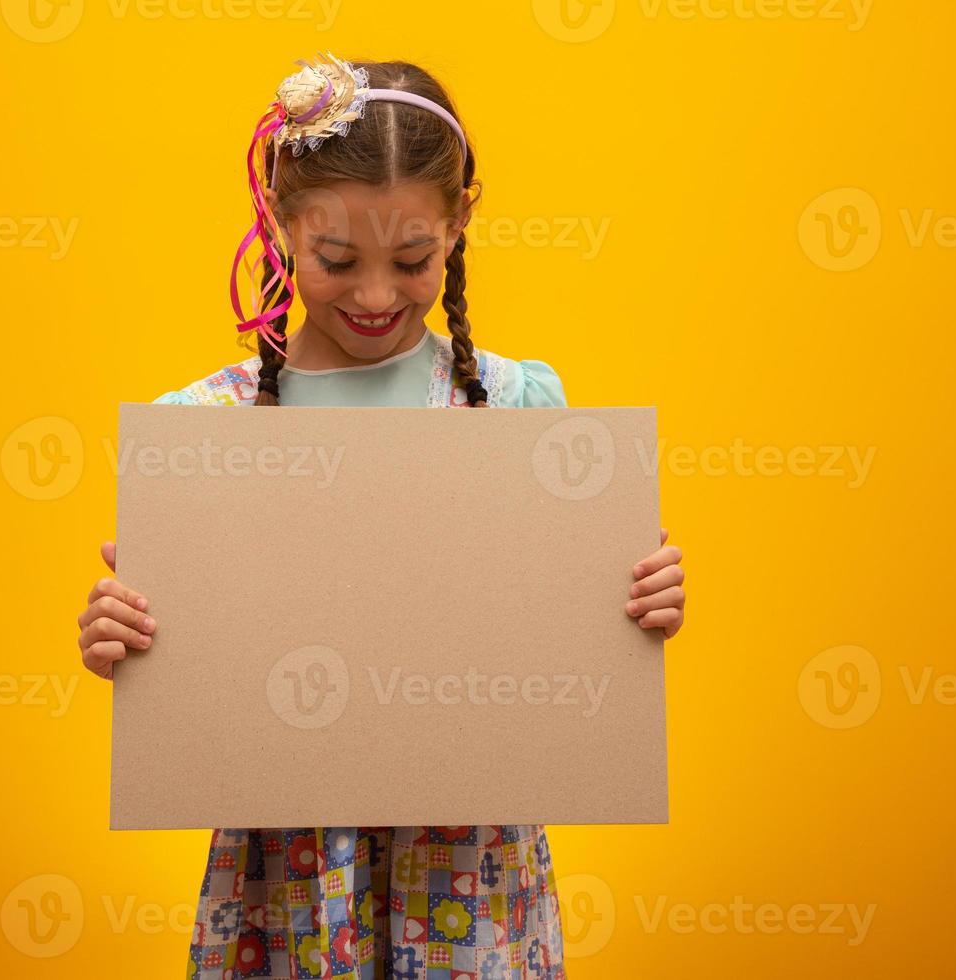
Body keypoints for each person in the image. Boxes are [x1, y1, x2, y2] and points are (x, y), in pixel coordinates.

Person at [76, 53, 687, 980]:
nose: (373, 296)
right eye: (335, 260)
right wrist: (122, 636)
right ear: (280, 224)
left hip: (477, 877)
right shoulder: (203, 432)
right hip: (287, 878)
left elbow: (565, 634)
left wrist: (633, 605)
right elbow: (187, 677)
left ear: (459, 226)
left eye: (412, 262)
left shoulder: (518, 406)